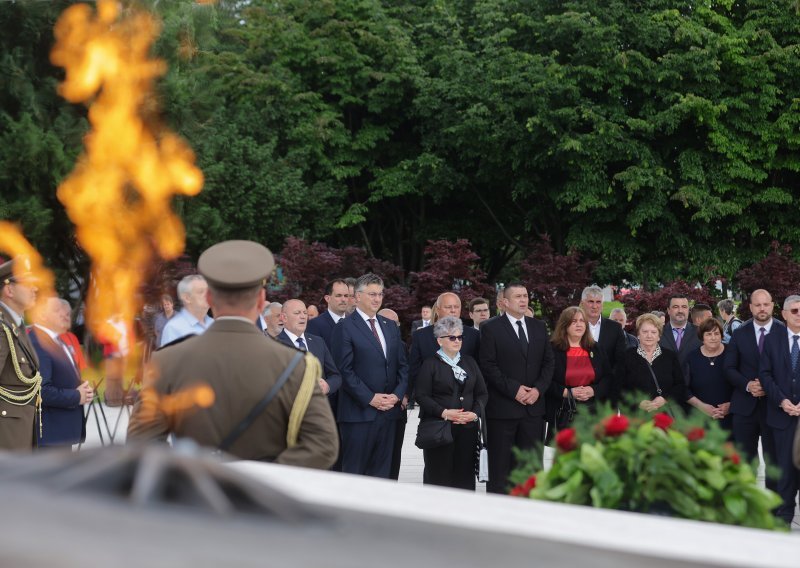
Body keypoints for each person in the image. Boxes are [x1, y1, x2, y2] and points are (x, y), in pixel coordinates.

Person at [128, 240, 338, 469]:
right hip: (260, 499)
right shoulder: (297, 365)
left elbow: (140, 442)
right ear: (260, 300)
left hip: (195, 496)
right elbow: (323, 446)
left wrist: (187, 475)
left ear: (209, 300)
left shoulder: (167, 360)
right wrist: (259, 477)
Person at [330, 273, 408, 478]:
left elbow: (402, 366)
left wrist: (396, 395)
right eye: (372, 294)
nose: (377, 299)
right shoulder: (344, 327)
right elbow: (344, 370)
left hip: (389, 414)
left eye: (380, 294)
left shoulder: (389, 326)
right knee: (355, 477)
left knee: (382, 478)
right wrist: (370, 398)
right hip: (358, 416)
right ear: (357, 297)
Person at [479, 283, 553, 494]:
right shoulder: (490, 328)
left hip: (533, 411)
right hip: (503, 410)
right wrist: (514, 390)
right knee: (500, 469)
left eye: (526, 296)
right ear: (504, 302)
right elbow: (488, 365)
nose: (523, 300)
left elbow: (548, 363)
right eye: (518, 296)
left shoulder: (538, 327)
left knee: (531, 469)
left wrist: (538, 390)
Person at [415, 316, 488, 490]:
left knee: (464, 477)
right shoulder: (430, 364)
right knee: (438, 477)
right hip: (440, 429)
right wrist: (444, 412)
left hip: (467, 429)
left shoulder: (469, 362)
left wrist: (475, 413)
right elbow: (422, 395)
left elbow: (482, 393)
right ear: (440, 340)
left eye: (460, 337)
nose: (457, 341)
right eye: (452, 337)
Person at [723, 289, 781, 485]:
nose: (762, 308)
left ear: (772, 305)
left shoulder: (784, 331)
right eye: (758, 305)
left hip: (775, 407)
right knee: (744, 463)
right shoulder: (740, 334)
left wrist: (769, 386)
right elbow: (729, 368)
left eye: (766, 304)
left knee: (775, 463)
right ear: (750, 307)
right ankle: (745, 509)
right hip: (744, 408)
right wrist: (748, 385)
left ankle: (776, 512)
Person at [759, 294, 800, 524]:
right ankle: (784, 517)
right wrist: (782, 401)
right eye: (794, 310)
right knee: (783, 470)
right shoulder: (773, 340)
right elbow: (765, 375)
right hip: (781, 416)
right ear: (784, 314)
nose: (799, 314)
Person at [30, 297, 92, 447]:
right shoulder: (38, 342)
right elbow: (41, 390)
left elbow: (60, 376)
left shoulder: (57, 340)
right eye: (58, 310)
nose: (65, 314)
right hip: (50, 435)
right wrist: (77, 396)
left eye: (68, 311)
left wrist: (81, 386)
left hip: (60, 433)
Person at [407, 292, 481, 410]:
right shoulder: (420, 336)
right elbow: (414, 370)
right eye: (448, 307)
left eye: (456, 307)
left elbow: (479, 371)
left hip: (466, 409)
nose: (453, 310)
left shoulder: (474, 335)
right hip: (433, 408)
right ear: (437, 309)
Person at [546, 307, 612, 436]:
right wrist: (567, 392)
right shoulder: (552, 349)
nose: (579, 324)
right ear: (565, 325)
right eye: (574, 321)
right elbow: (544, 379)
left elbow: (608, 377)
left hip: (593, 412)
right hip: (564, 412)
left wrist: (593, 390)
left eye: (582, 321)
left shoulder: (596, 348)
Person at [0, 257, 42, 450]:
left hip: (19, 428)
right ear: (9, 290)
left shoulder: (15, 325)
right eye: (29, 284)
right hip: (6, 434)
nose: (35, 289)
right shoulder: (2, 328)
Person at [276, 299, 341, 408]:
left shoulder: (318, 342)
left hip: (320, 410)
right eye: (297, 313)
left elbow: (335, 375)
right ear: (284, 318)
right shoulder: (275, 345)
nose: (303, 316)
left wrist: (327, 386)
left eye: (305, 313)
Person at [621, 313, 689, 414]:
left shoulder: (670, 356)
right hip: (636, 416)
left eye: (653, 332)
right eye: (645, 331)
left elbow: (680, 386)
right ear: (638, 335)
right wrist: (637, 401)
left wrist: (664, 398)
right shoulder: (626, 356)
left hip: (665, 415)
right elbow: (619, 387)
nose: (649, 335)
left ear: (659, 336)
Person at [580, 286, 627, 403]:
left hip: (607, 395)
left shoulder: (615, 328)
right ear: (582, 303)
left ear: (602, 304)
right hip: (578, 394)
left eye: (598, 302)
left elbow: (620, 362)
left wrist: (601, 388)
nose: (594, 306)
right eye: (590, 301)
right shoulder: (573, 327)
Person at [685, 319, 732, 431]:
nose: (713, 337)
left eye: (716, 333)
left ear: (721, 335)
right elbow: (683, 388)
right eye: (709, 334)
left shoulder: (733, 353)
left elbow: (743, 382)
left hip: (731, 417)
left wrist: (732, 405)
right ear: (702, 337)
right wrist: (701, 406)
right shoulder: (691, 357)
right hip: (700, 417)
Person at [378, 307, 407, 481]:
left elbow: (407, 371)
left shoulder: (401, 344)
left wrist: (402, 395)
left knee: (394, 457)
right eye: (389, 322)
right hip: (373, 406)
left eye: (396, 323)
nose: (393, 326)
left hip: (397, 409)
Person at [159, 275, 213, 347]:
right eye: (201, 292)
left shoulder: (215, 323)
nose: (207, 295)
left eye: (208, 291)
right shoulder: (173, 328)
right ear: (187, 298)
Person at [659, 296, 700, 377]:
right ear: (668, 310)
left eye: (684, 307)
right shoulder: (657, 333)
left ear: (688, 310)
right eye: (675, 307)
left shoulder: (700, 333)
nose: (680, 311)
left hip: (694, 387)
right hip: (665, 386)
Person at [307, 279, 350, 347]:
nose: (343, 299)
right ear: (327, 298)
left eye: (346, 296)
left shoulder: (355, 323)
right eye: (338, 295)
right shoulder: (314, 325)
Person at [57, 299, 87, 372]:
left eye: (67, 314)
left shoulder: (72, 337)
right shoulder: (44, 337)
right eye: (61, 315)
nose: (65, 318)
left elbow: (81, 368)